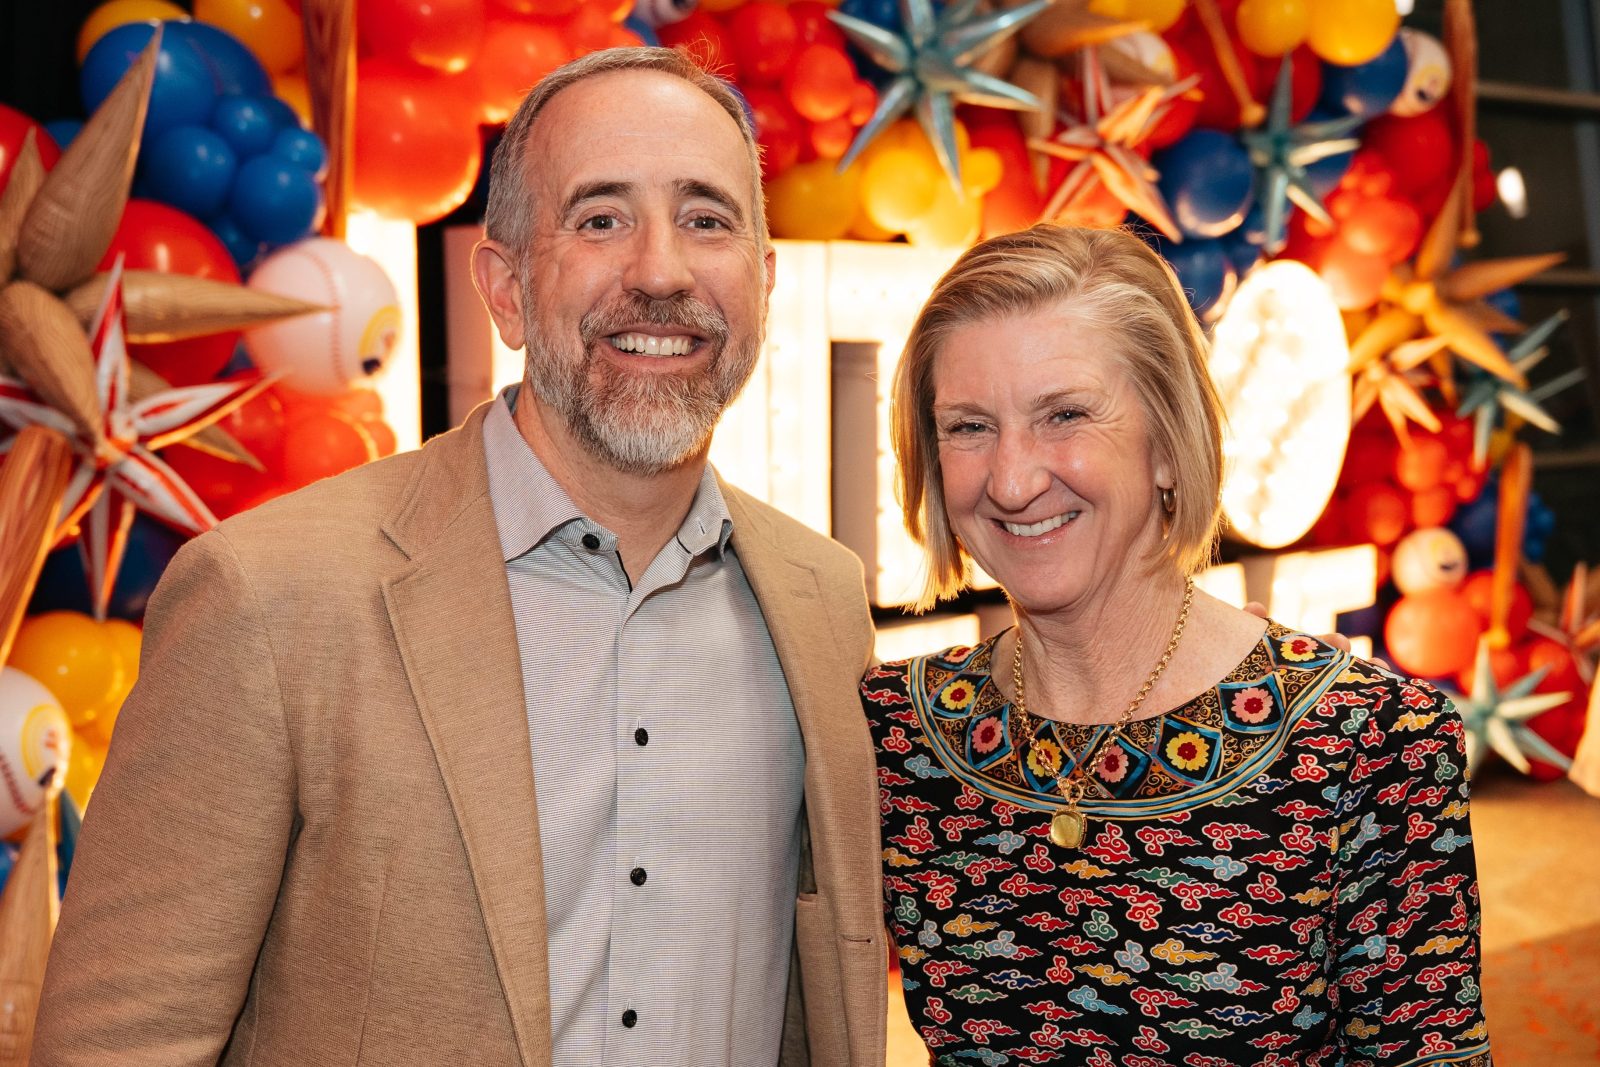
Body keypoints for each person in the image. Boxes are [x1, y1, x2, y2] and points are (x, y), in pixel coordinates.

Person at [33, 48, 887, 1066]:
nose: (661, 271)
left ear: (763, 280)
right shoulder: (268, 596)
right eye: (600, 219)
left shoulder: (821, 603)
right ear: (506, 288)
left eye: (706, 219)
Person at [864, 224, 1492, 1065]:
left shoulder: (1370, 742)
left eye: (1065, 414)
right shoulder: (895, 731)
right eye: (969, 426)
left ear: (1167, 443)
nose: (1011, 480)